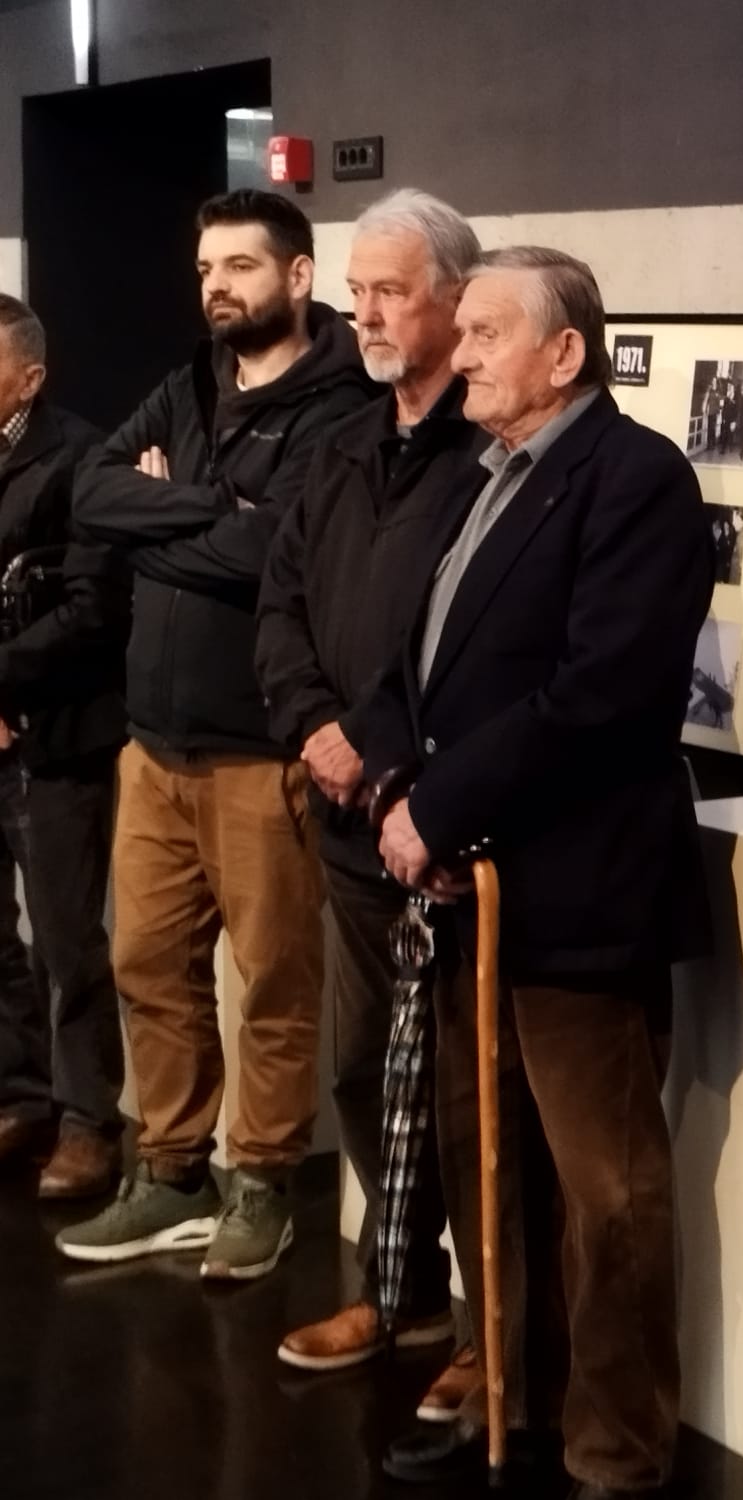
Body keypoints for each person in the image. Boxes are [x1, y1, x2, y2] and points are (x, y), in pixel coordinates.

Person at [363, 246, 711, 1500]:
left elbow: (602, 695)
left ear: (564, 353)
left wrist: (441, 805)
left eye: (486, 333)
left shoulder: (636, 480)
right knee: (488, 1167)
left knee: (603, 1193)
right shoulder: (480, 475)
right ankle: (509, 1396)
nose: (459, 356)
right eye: (462, 331)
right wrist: (401, 788)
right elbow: (419, 662)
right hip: (470, 892)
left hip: (578, 897)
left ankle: (614, 1452)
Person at [61, 190, 375, 1277]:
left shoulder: (344, 404)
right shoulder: (189, 382)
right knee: (147, 965)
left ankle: (264, 1185)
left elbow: (279, 553)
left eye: (240, 266)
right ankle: (170, 1169)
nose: (217, 288)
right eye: (205, 269)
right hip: (154, 747)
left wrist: (164, 518)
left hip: (261, 752)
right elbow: (91, 493)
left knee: (274, 983)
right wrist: (209, 511)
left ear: (299, 275)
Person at [254, 191, 488, 1406]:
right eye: (358, 292)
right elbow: (280, 603)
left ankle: (488, 1337)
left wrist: (376, 745)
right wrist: (313, 725)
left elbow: (480, 642)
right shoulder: (343, 445)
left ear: (455, 297)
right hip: (344, 823)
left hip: (438, 820)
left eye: (391, 292)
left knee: (460, 1093)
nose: (367, 314)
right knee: (358, 1072)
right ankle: (400, 1294)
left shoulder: (490, 450)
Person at [0, 293, 126, 1200]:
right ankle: (21, 1095)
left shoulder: (83, 459)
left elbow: (93, 612)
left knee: (67, 942)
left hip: (55, 738)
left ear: (29, 378)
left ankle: (89, 1123)